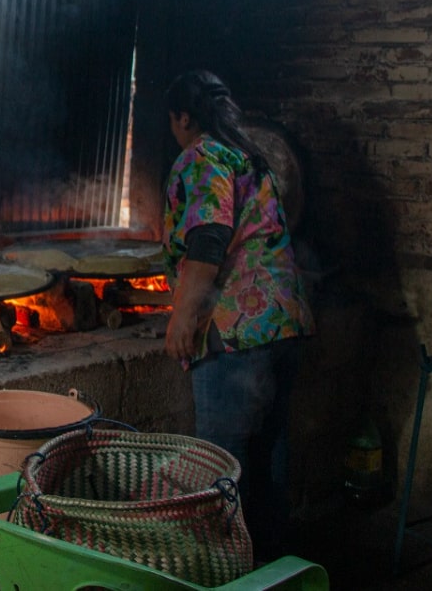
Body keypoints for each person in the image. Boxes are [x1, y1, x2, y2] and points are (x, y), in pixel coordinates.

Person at [160, 69, 315, 564]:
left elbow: (208, 237)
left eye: (173, 120)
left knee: (222, 463)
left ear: (183, 117)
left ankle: (228, 569)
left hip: (238, 333)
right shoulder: (251, 156)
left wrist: (183, 318)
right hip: (285, 320)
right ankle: (272, 565)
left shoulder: (202, 155)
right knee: (269, 453)